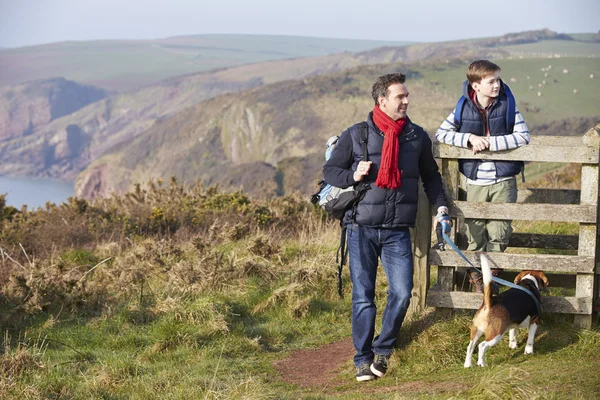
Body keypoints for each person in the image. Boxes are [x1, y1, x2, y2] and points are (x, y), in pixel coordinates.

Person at [323, 73, 448, 382]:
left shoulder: (416, 136)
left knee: (403, 292)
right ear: (382, 101)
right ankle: (362, 359)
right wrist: (353, 174)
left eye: (406, 96)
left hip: (396, 231)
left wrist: (441, 206)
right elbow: (330, 172)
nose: (406, 101)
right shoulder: (357, 135)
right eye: (399, 97)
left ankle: (384, 348)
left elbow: (431, 177)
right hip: (361, 228)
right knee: (363, 296)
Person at [435, 60, 530, 292]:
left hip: (504, 180)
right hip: (474, 180)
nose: (497, 85)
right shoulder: (462, 107)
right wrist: (468, 138)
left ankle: (493, 282)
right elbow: (441, 133)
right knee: (474, 233)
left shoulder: (508, 105)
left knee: (499, 232)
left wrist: (490, 143)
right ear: (475, 86)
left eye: (498, 79)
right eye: (491, 81)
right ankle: (478, 279)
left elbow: (523, 136)